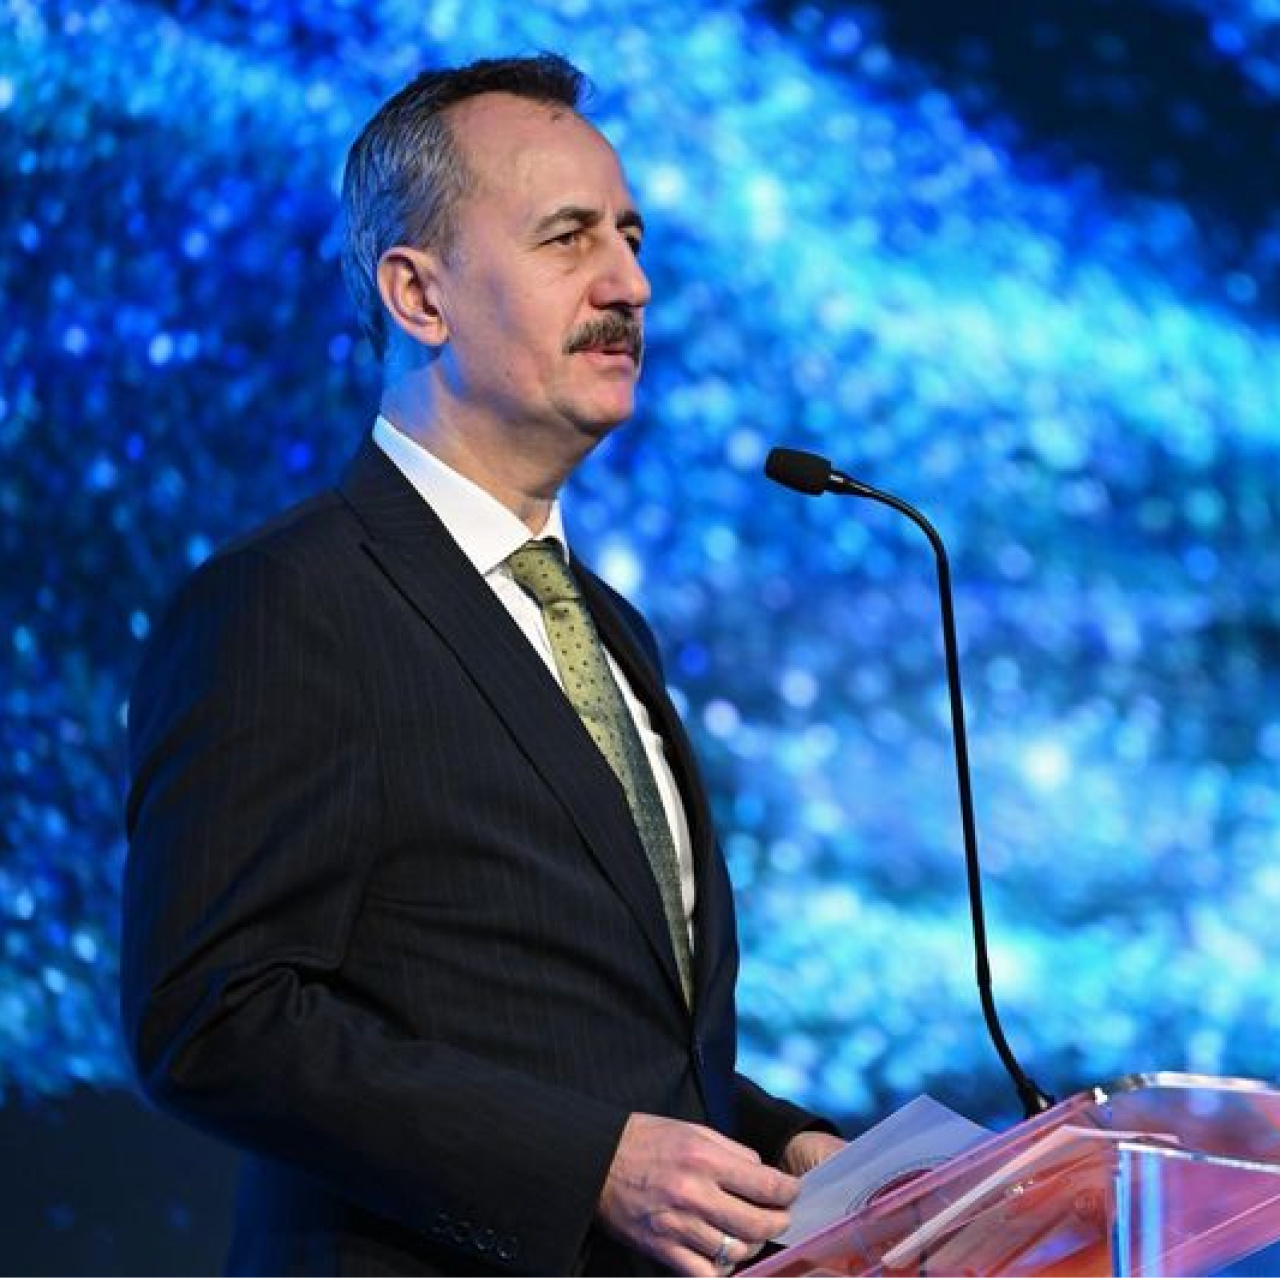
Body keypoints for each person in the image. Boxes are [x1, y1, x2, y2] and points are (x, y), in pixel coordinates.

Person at [121, 53, 843, 1277]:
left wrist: (777, 1141)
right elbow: (213, 1016)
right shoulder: (287, 601)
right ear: (417, 294)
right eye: (568, 238)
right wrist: (585, 1166)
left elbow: (591, 1032)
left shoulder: (606, 625)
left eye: (629, 237)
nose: (629, 283)